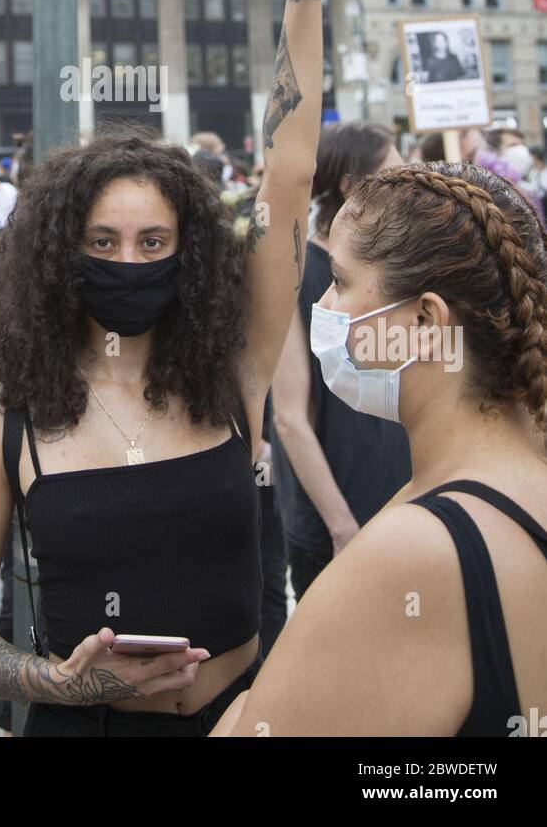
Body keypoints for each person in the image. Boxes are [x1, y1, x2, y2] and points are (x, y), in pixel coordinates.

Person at [0, 0, 360, 737]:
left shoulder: (232, 377)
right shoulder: (1, 419)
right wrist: (60, 682)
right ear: (61, 257)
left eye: (153, 243)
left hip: (248, 721)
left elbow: (288, 168)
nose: (129, 262)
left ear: (188, 254)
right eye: (104, 244)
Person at [212, 160, 547, 737]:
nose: (326, 310)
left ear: (424, 321)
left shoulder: (417, 554)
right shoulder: (506, 480)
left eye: (340, 282)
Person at [270, 122, 411, 599]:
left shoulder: (396, 268)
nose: (407, 181)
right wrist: (342, 526)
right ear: (353, 186)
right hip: (333, 524)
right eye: (394, 172)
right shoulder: (298, 277)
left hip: (401, 510)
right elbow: (289, 418)